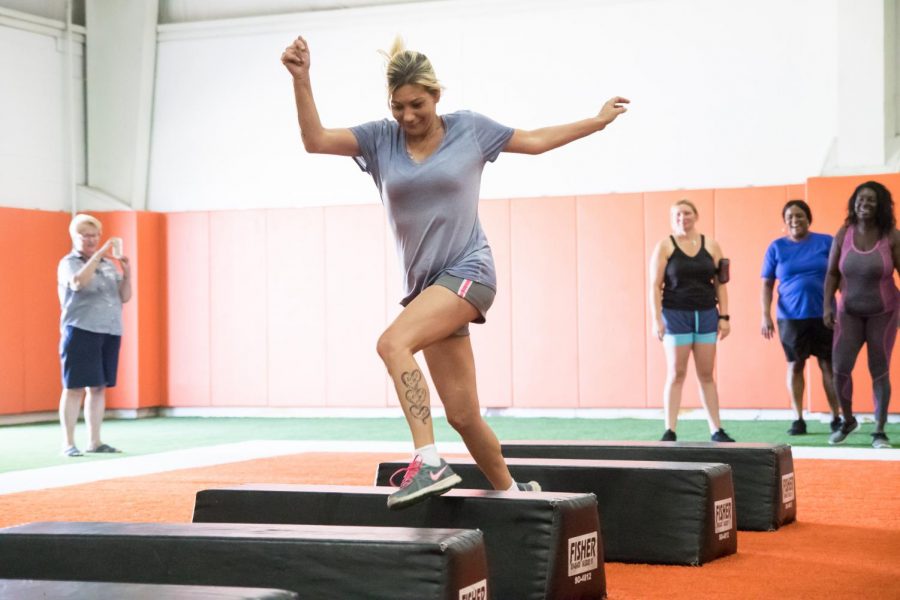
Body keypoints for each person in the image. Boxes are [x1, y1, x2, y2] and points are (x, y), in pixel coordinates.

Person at [281, 35, 628, 508]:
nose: (407, 116)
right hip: (427, 289)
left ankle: (427, 460)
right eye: (398, 106)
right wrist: (302, 79)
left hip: (469, 272)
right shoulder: (380, 139)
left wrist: (597, 121)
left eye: (417, 105)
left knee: (392, 343)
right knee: (463, 414)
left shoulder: (470, 130)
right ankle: (514, 492)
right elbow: (315, 140)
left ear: (436, 95)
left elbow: (536, 141)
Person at [649, 199, 735, 443]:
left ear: (695, 216)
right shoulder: (665, 246)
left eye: (686, 213)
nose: (682, 218)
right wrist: (657, 319)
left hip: (706, 314)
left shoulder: (712, 245)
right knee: (676, 373)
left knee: (706, 374)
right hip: (675, 315)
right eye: (676, 214)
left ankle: (716, 429)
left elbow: (721, 284)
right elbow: (654, 286)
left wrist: (724, 316)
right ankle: (670, 430)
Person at [824, 181, 899, 449]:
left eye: (870, 201)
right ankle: (848, 420)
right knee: (840, 369)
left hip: (884, 312)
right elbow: (832, 273)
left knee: (879, 370)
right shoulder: (844, 233)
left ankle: (879, 431)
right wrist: (827, 306)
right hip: (849, 312)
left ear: (880, 206)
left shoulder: (891, 235)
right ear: (853, 203)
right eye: (859, 199)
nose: (863, 204)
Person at [760, 200, 841, 435]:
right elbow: (767, 284)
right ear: (785, 222)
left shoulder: (826, 241)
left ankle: (836, 416)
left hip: (825, 314)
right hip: (790, 317)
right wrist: (765, 315)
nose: (795, 220)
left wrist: (843, 307)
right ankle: (797, 418)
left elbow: (839, 275)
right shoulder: (776, 248)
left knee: (828, 365)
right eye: (790, 217)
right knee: (795, 365)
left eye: (799, 216)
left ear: (808, 218)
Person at [57, 214, 131, 457]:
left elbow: (124, 296)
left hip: (109, 330)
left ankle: (95, 441)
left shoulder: (109, 265)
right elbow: (78, 283)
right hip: (80, 330)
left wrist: (127, 272)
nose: (91, 240)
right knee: (74, 387)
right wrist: (97, 256)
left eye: (94, 235)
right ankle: (68, 442)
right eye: (85, 235)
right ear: (74, 237)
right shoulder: (70, 262)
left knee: (98, 387)